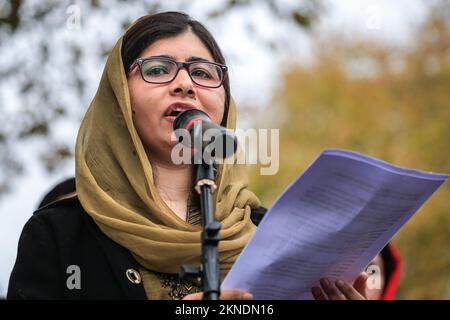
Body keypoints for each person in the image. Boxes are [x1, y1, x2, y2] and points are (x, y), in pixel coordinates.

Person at [8, 11, 400, 300]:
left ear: (225, 102)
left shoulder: (270, 234)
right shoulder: (60, 236)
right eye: (158, 69)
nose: (184, 84)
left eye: (204, 72)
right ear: (118, 99)